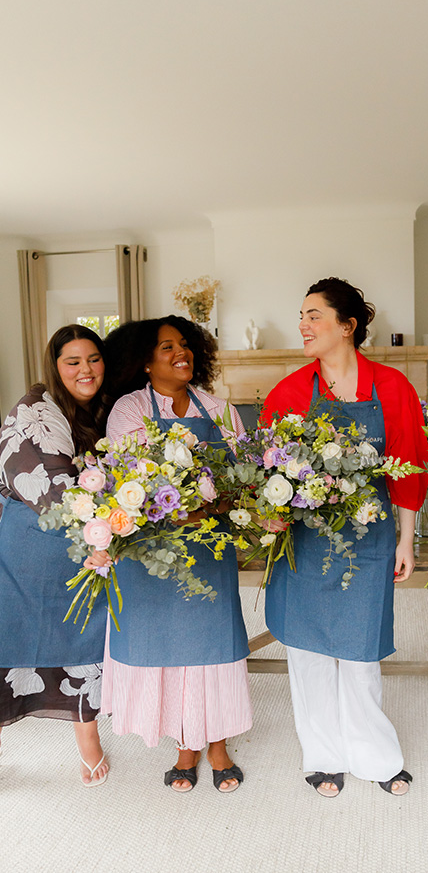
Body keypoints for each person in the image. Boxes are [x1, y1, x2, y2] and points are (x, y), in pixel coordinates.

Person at [261, 277, 428, 797]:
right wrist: (269, 516)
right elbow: (267, 467)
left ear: (347, 325)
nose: (303, 325)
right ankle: (323, 756)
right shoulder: (290, 391)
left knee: (360, 651)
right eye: (302, 316)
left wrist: (405, 540)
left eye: (314, 316)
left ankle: (375, 756)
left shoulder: (392, 387)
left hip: (370, 539)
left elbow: (409, 467)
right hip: (305, 542)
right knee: (308, 652)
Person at [100, 315, 251, 793]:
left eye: (184, 344)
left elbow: (243, 477)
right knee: (172, 649)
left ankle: (218, 744)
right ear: (145, 361)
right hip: (152, 554)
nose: (179, 353)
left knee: (214, 647)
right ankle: (186, 745)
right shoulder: (128, 410)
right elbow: (128, 480)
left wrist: (211, 505)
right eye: (166, 347)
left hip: (209, 547)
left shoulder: (219, 409)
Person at [0, 325, 111, 786]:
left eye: (94, 359)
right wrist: (102, 534)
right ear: (55, 366)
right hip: (31, 542)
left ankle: (88, 739)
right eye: (73, 361)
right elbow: (49, 489)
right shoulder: (34, 411)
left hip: (81, 542)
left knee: (84, 639)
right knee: (11, 641)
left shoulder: (99, 408)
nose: (86, 370)